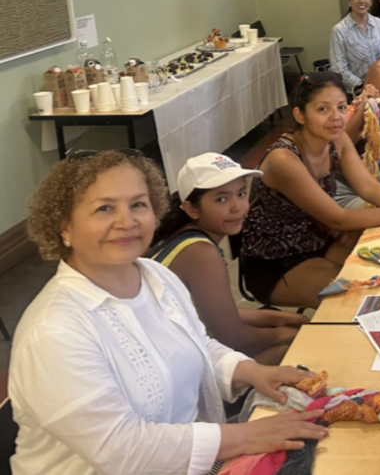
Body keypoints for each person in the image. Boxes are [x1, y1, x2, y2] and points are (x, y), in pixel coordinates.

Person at [12, 150, 327, 475]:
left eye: (138, 204)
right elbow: (122, 450)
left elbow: (197, 344)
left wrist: (250, 371)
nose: (126, 221)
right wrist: (246, 435)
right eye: (104, 208)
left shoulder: (153, 275)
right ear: (64, 227)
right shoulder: (53, 332)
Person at [240, 73, 380, 308]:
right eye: (322, 109)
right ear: (299, 115)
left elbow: (369, 188)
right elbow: (338, 218)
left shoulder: (336, 140)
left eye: (341, 107)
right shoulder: (283, 158)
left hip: (318, 240)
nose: (336, 118)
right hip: (276, 260)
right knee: (361, 299)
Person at [149, 153, 309, 365]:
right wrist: (286, 334)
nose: (238, 207)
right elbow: (233, 338)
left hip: (175, 346)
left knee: (292, 326)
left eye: (241, 194)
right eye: (221, 199)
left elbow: (219, 313)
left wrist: (285, 319)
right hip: (172, 362)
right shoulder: (200, 253)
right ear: (191, 209)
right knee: (293, 352)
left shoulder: (182, 236)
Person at [330, 0, 380, 95]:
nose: (361, 1)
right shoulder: (339, 30)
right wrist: (364, 85)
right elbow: (339, 69)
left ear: (371, 1)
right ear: (349, 1)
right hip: (356, 92)